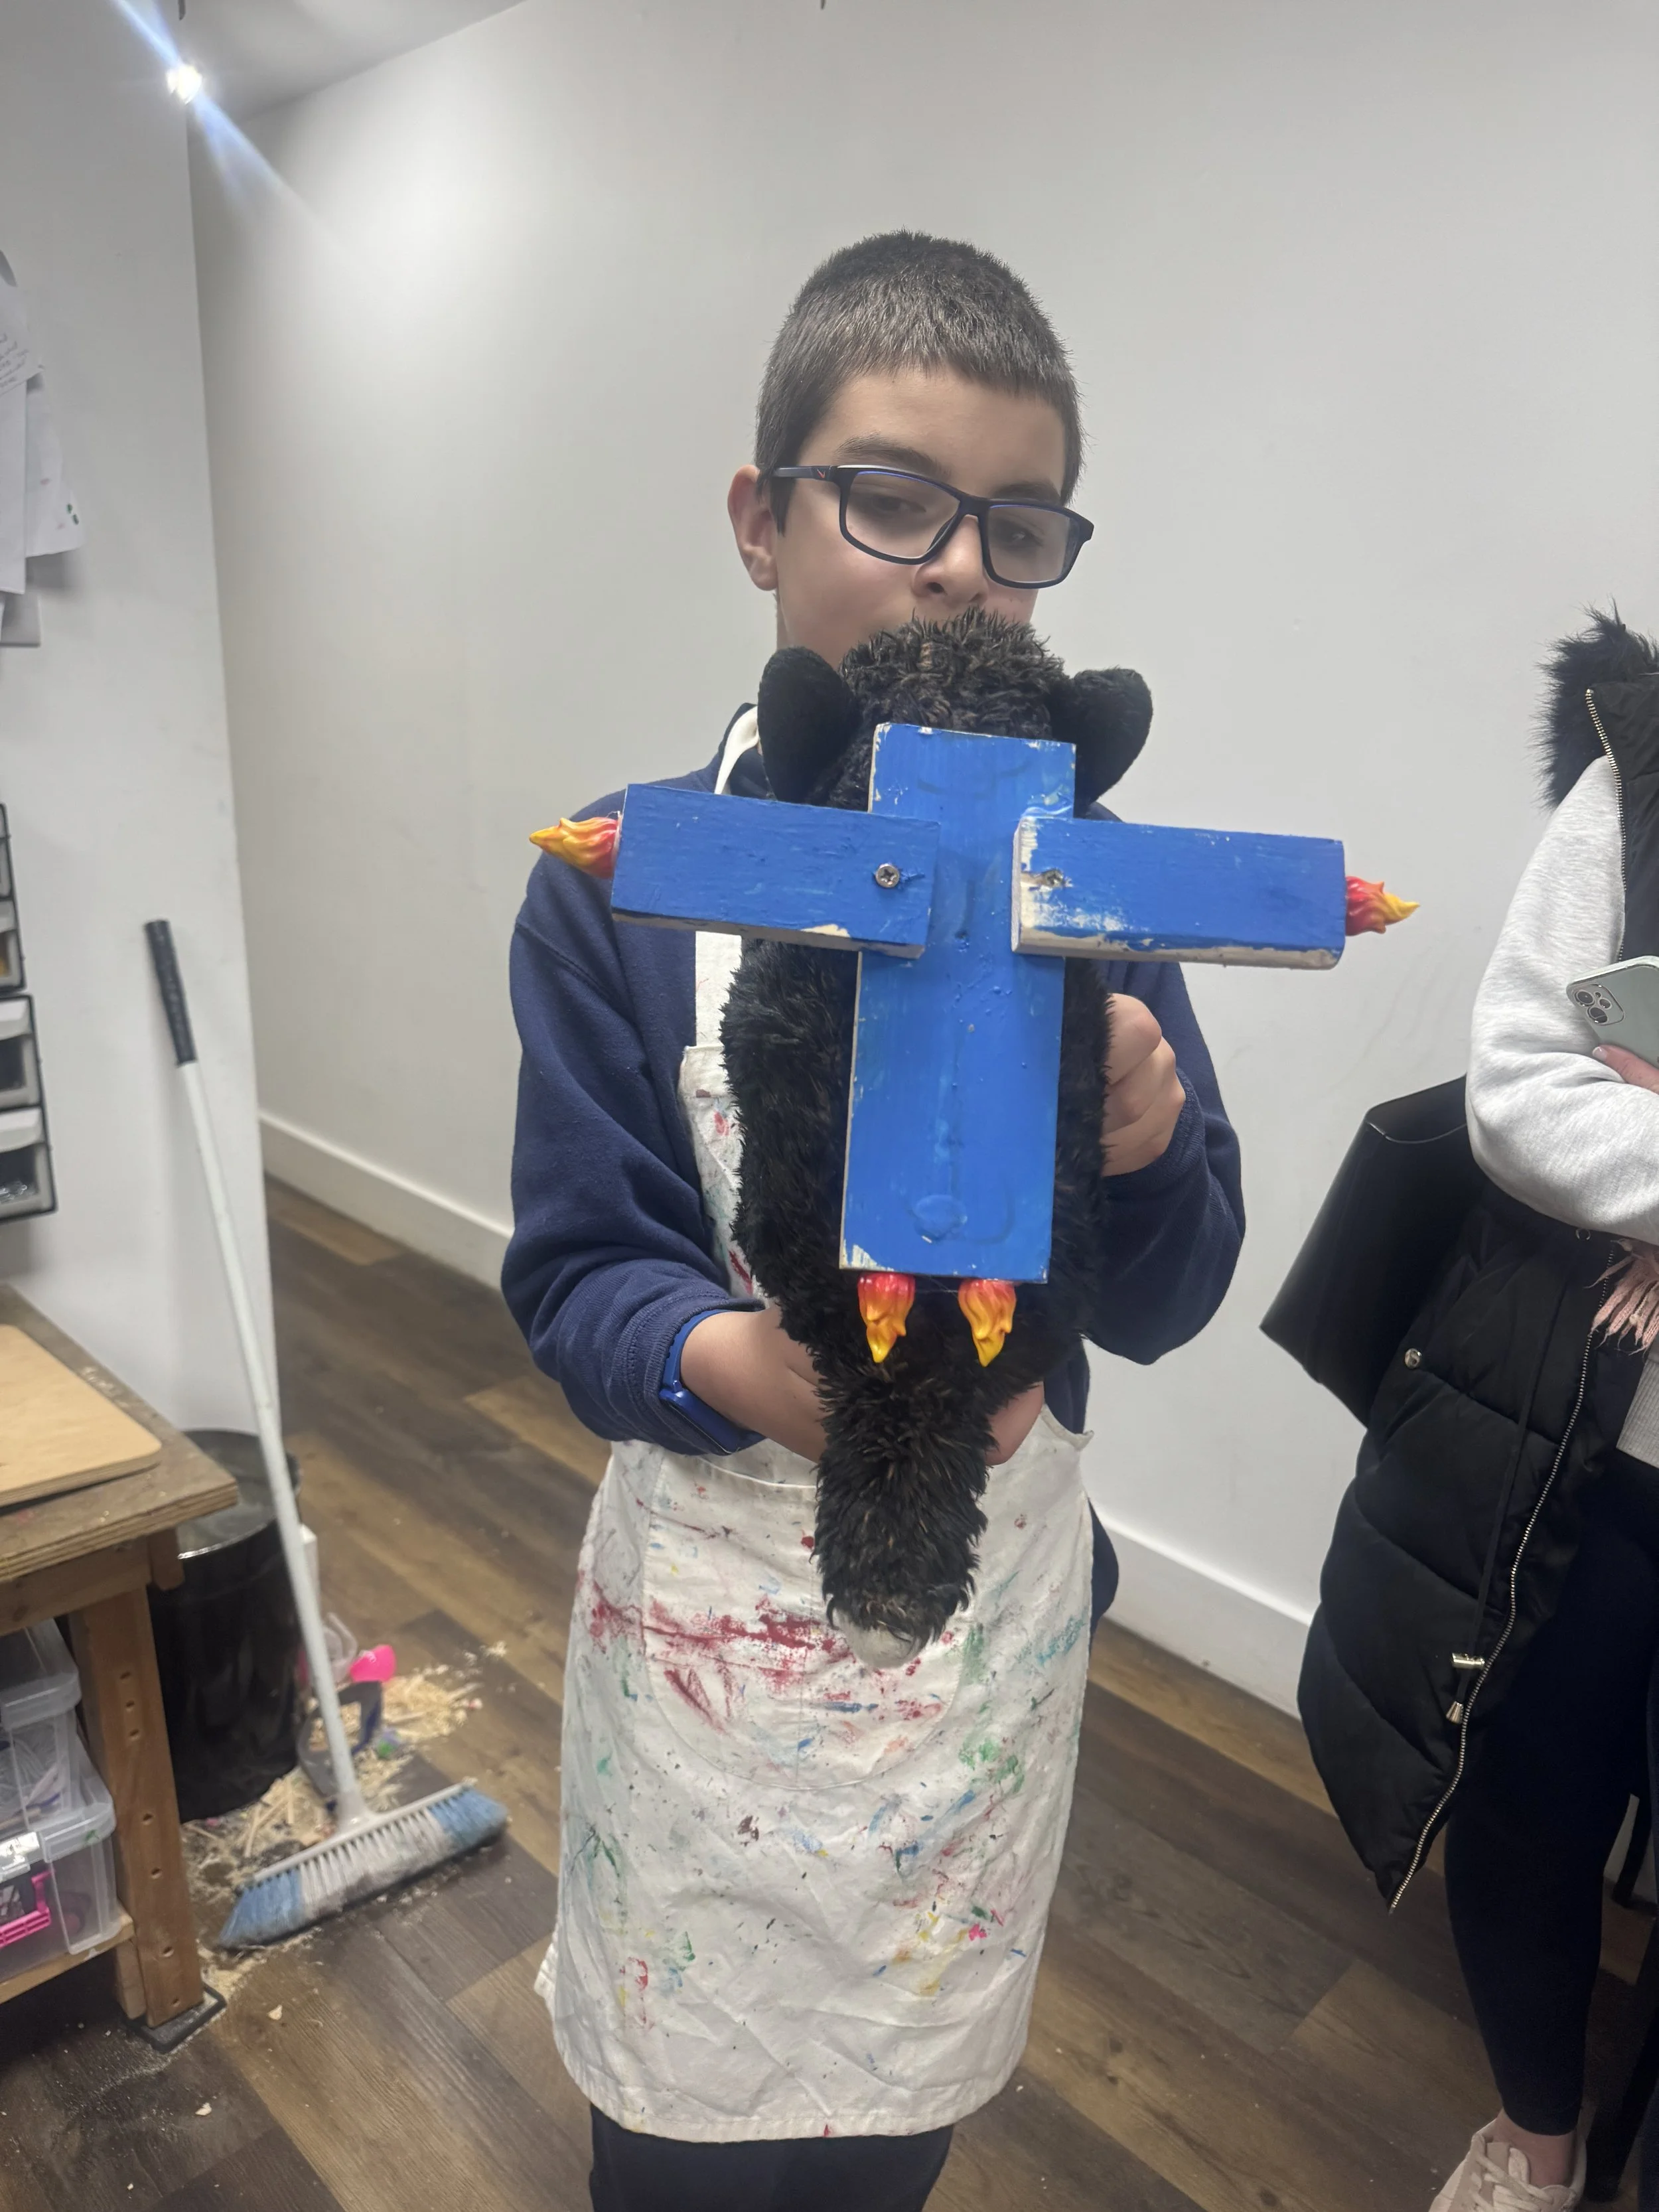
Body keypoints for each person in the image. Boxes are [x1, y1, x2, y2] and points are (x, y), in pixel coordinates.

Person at [502, 231, 1244, 2212]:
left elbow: (1173, 1292)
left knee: (888, 2133)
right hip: (710, 1656)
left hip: (972, 1659)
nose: (954, 569)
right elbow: (577, 1278)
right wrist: (743, 1364)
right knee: (677, 2146)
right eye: (891, 499)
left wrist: (1152, 1142)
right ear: (760, 520)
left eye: (1015, 528)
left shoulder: (1088, 899)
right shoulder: (621, 882)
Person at [1298, 611, 1659, 2212]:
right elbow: (1524, 1086)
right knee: (1518, 1806)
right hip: (1571, 1443)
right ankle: (1536, 2147)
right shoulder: (1635, 785)